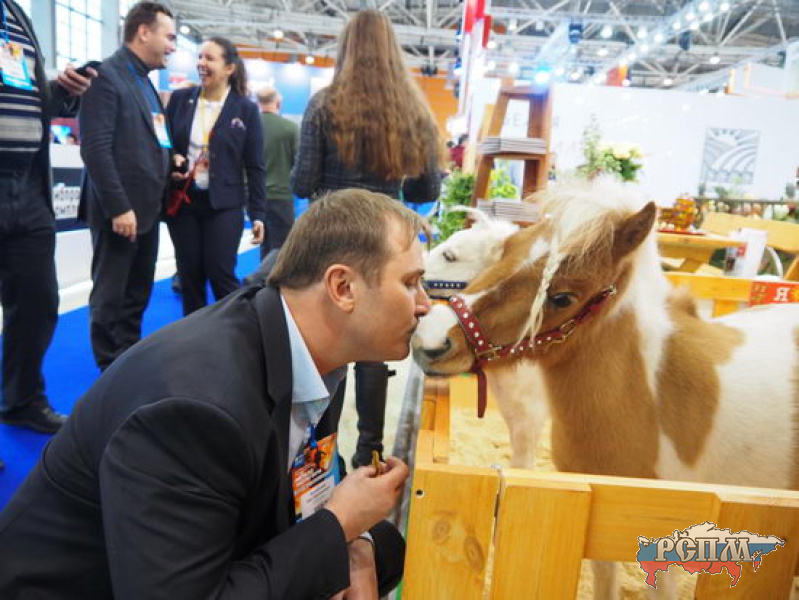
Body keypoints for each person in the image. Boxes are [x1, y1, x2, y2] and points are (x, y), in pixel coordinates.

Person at [0, 188, 431, 600]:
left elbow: (309, 483)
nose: (425, 304)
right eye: (411, 283)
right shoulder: (194, 410)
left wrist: (357, 542)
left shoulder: (318, 351)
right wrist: (339, 526)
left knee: (387, 548)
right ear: (342, 288)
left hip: (203, 547)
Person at [291, 9, 442, 469]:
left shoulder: (323, 104)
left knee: (326, 346)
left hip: (328, 239)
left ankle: (322, 452)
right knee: (374, 348)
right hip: (386, 239)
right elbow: (427, 191)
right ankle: (370, 451)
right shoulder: (413, 111)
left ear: (346, 49)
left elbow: (302, 181)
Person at [0, 0, 95, 453]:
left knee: (38, 304)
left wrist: (63, 91)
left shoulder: (16, 16)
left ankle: (21, 400)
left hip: (29, 186)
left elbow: (29, 97)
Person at [78, 1, 176, 371]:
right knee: (111, 294)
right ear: (143, 32)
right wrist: (119, 206)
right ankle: (108, 367)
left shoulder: (144, 82)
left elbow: (152, 139)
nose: (172, 46)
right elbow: (95, 149)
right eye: (169, 37)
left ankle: (127, 360)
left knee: (137, 292)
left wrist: (173, 162)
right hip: (120, 212)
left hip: (148, 210)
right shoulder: (106, 76)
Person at [166, 36, 265, 315]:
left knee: (221, 272)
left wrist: (258, 214)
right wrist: (172, 159)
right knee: (189, 275)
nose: (201, 63)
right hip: (184, 202)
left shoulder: (245, 109)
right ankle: (193, 336)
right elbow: (165, 143)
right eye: (200, 57)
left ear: (229, 68)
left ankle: (236, 330)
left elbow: (255, 165)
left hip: (225, 204)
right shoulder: (180, 100)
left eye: (209, 58)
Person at [242, 86, 299, 286]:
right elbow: (298, 163)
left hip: (252, 195)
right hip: (280, 195)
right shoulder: (290, 128)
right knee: (283, 246)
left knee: (264, 243)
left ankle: (261, 283)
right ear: (278, 102)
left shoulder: (248, 126)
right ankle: (261, 281)